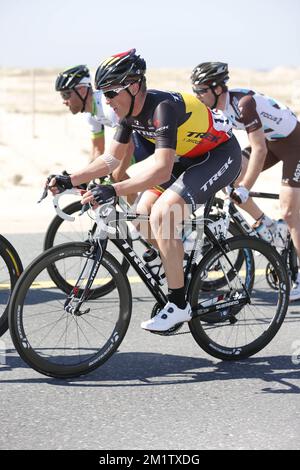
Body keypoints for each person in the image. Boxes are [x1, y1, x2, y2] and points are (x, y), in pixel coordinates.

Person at [49, 49, 241, 331]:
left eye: (112, 92)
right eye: (103, 93)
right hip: (187, 158)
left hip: (220, 155)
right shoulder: (126, 114)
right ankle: (176, 264)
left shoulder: (162, 108)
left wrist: (113, 190)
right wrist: (71, 179)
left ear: (135, 86)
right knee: (140, 214)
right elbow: (111, 159)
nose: (107, 100)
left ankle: (178, 304)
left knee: (163, 214)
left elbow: (162, 169)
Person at [191, 62, 300, 301]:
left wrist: (245, 188)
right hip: (270, 142)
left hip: (294, 144)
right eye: (195, 91)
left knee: (291, 212)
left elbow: (258, 150)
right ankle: (268, 225)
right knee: (225, 177)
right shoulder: (213, 109)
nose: (197, 96)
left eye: (201, 90)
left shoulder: (243, 104)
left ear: (217, 89)